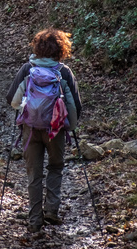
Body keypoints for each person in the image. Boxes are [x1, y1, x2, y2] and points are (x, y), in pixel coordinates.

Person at [5, 28, 82, 233]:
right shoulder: (63, 72)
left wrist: (25, 109)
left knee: (34, 174)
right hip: (55, 130)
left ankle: (35, 220)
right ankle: (51, 211)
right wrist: (70, 126)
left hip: (30, 130)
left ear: (38, 48)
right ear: (61, 50)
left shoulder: (27, 70)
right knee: (55, 167)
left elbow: (11, 100)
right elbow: (75, 105)